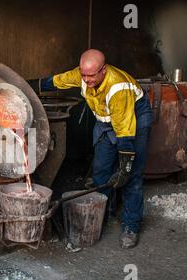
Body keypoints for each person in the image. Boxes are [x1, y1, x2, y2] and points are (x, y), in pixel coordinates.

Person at [28, 49, 153, 248]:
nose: (86, 80)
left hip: (134, 119)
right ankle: (103, 214)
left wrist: (125, 166)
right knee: (101, 170)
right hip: (106, 120)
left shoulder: (118, 88)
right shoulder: (83, 75)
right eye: (83, 75)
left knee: (131, 176)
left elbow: (124, 133)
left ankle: (131, 226)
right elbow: (57, 81)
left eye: (91, 75)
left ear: (103, 70)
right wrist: (26, 85)